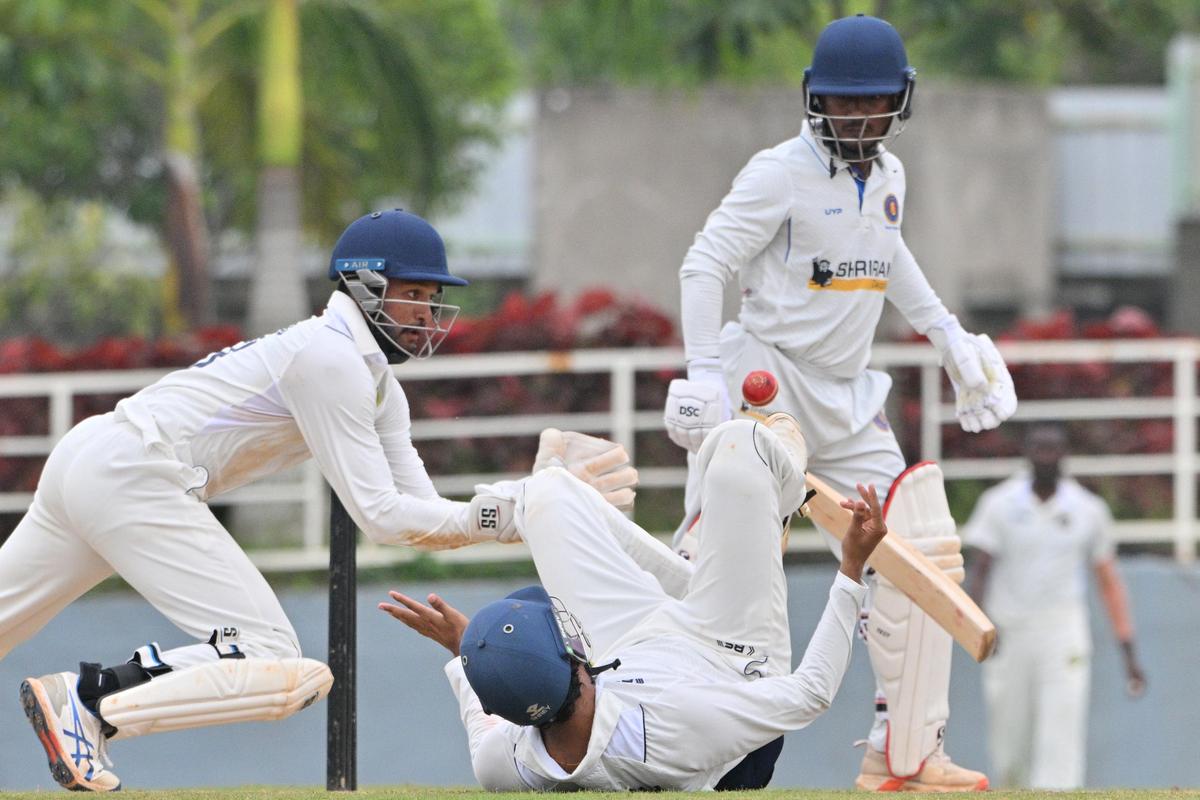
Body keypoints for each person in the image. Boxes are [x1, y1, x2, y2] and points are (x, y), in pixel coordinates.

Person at [0, 209, 635, 792]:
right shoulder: (330, 359)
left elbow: (419, 513)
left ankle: (87, 703)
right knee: (267, 650)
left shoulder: (376, 383)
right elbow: (381, 516)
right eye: (413, 292)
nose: (426, 311)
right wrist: (517, 511)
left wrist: (525, 503)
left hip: (95, 458)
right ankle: (88, 700)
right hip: (133, 472)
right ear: (363, 285)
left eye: (433, 298)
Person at [660, 13, 1015, 792]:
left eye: (873, 102)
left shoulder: (889, 178)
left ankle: (905, 751)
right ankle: (665, 736)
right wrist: (703, 371)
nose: (858, 116)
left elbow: (891, 259)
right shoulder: (778, 172)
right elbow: (704, 261)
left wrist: (952, 340)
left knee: (918, 540)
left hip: (849, 396)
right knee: (718, 553)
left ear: (899, 101)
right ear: (814, 98)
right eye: (843, 102)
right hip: (767, 380)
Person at [383, 414, 889, 791]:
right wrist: (851, 569)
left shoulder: (508, 761)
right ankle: (776, 495)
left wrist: (469, 649)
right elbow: (811, 693)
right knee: (740, 444)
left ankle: (700, 568)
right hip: (732, 661)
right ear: (574, 655)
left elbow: (484, 718)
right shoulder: (680, 723)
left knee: (547, 493)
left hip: (628, 651)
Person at [964, 423, 1146, 789]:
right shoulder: (999, 504)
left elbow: (1108, 582)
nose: (1046, 456)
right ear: (1027, 454)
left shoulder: (1088, 509)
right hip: (1008, 634)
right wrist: (977, 629)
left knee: (1061, 733)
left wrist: (1128, 652)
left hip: (1064, 633)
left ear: (1065, 455)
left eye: (1053, 448)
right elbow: (980, 571)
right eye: (1039, 448)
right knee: (1009, 743)